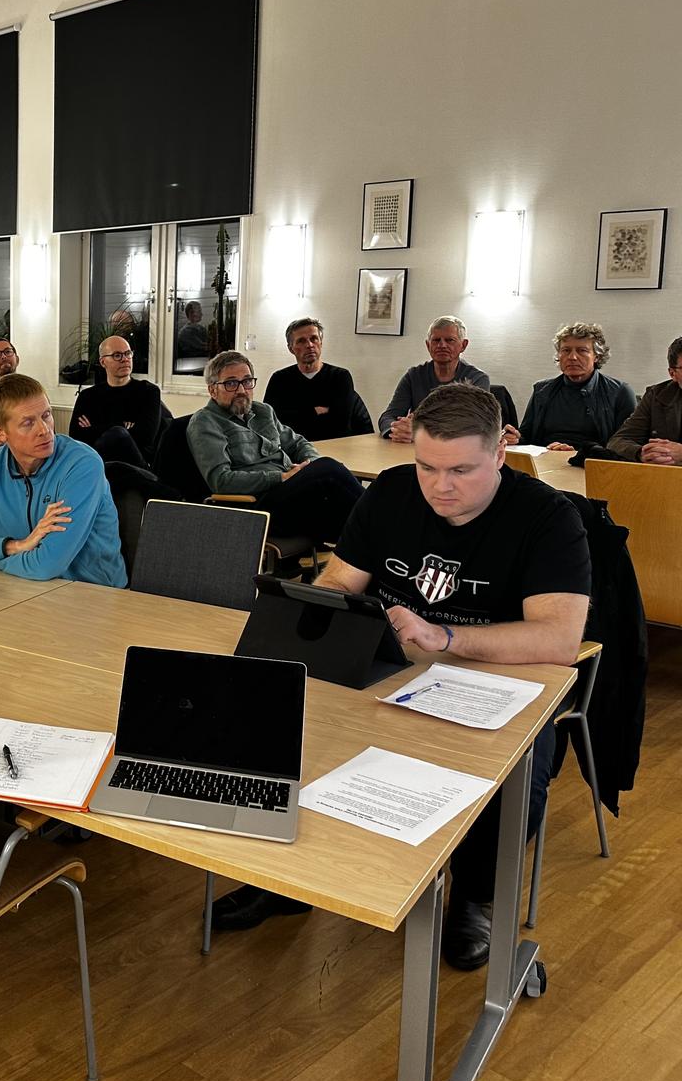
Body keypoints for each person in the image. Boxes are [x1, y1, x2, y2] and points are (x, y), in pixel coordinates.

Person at [211, 384, 589, 971]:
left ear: (499, 453)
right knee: (290, 719)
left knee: (519, 775)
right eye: (427, 467)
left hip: (501, 682)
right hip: (396, 668)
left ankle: (475, 895)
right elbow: (342, 580)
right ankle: (290, 873)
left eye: (461, 470)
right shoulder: (390, 492)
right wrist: (320, 605)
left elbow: (559, 639)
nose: (440, 486)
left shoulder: (547, 517)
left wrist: (446, 637)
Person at [0, 373, 126, 587]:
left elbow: (45, 566)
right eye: (28, 423)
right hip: (19, 586)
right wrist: (14, 546)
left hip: (91, 593)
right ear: (0, 432)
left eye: (46, 415)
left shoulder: (82, 465)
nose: (44, 430)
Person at [188, 351, 363, 547]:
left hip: (290, 494)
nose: (242, 390)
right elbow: (221, 481)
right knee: (330, 471)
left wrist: (310, 465)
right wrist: (281, 477)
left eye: (247, 381)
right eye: (231, 383)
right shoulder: (205, 422)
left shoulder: (263, 411)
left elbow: (298, 443)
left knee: (352, 522)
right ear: (212, 390)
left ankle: (378, 545)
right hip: (255, 505)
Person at [516, 322, 636, 451]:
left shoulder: (619, 392)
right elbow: (526, 436)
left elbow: (625, 444)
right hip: (545, 457)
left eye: (582, 351)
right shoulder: (542, 390)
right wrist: (515, 438)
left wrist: (577, 453)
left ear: (596, 356)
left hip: (592, 459)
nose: (572, 357)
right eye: (566, 350)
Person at [379, 316, 491, 441]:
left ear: (463, 345)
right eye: (436, 340)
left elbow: (474, 425)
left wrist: (420, 431)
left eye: (450, 340)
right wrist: (397, 429)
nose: (442, 345)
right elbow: (388, 416)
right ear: (428, 345)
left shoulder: (477, 379)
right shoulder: (413, 376)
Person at [261, 319, 374, 441]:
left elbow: (340, 425)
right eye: (301, 341)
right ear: (291, 348)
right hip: (292, 447)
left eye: (314, 339)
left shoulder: (340, 377)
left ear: (321, 343)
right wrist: (315, 411)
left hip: (335, 445)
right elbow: (269, 422)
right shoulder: (279, 379)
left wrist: (296, 415)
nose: (309, 345)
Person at [69, 335, 169, 466]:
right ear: (103, 362)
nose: (125, 359)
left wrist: (94, 429)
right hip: (100, 464)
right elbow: (76, 438)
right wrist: (121, 425)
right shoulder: (87, 396)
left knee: (118, 434)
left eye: (128, 354)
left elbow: (145, 438)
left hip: (136, 467)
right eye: (117, 355)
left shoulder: (148, 391)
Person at [606, 334, 682, 464]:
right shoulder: (656, 396)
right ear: (672, 374)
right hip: (664, 473)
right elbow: (618, 441)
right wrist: (642, 453)